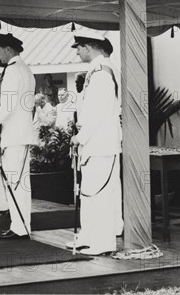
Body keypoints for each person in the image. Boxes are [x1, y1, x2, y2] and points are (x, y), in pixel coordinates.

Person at [0, 33, 36, 239]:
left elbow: (7, 106)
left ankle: (20, 228)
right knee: (19, 183)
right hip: (21, 134)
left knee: (16, 183)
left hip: (16, 135)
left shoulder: (13, 71)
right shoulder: (26, 70)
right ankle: (20, 226)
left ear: (8, 50)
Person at [67, 30, 122, 255]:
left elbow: (97, 112)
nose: (78, 52)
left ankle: (102, 243)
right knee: (88, 194)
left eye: (79, 47)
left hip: (101, 144)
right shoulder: (97, 70)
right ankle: (88, 237)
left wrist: (80, 137)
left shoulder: (101, 72)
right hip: (94, 144)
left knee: (99, 195)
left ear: (89, 47)